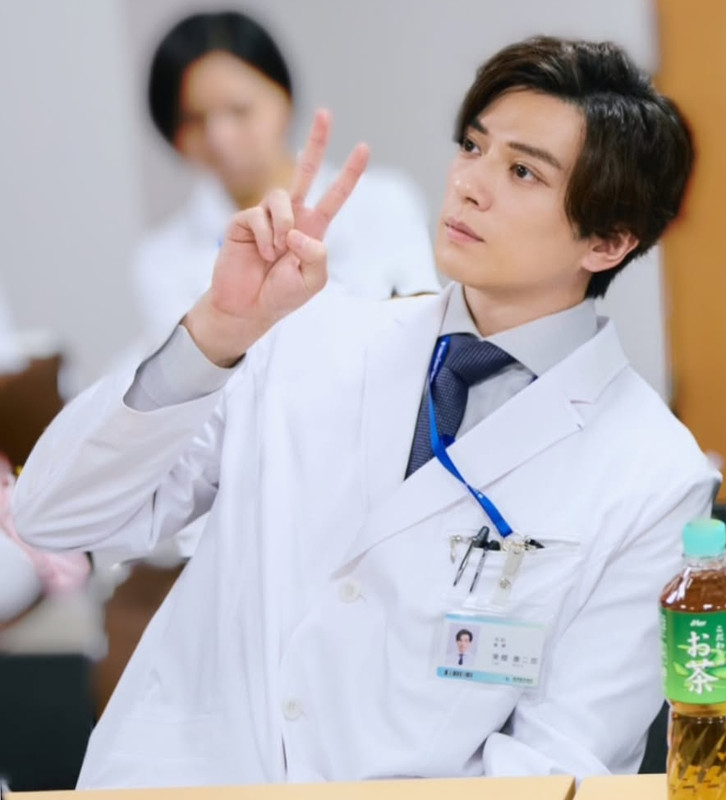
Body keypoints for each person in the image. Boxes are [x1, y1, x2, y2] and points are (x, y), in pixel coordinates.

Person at [14, 36, 719, 786]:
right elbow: (54, 516)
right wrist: (215, 332)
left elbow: (559, 762)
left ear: (608, 242)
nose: (470, 184)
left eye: (522, 171)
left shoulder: (653, 477)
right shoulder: (304, 338)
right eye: (473, 146)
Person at [133, 10, 439, 341]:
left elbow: (419, 332)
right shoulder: (162, 260)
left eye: (239, 109)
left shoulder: (383, 200)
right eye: (193, 120)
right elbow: (188, 370)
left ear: (284, 97)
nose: (219, 138)